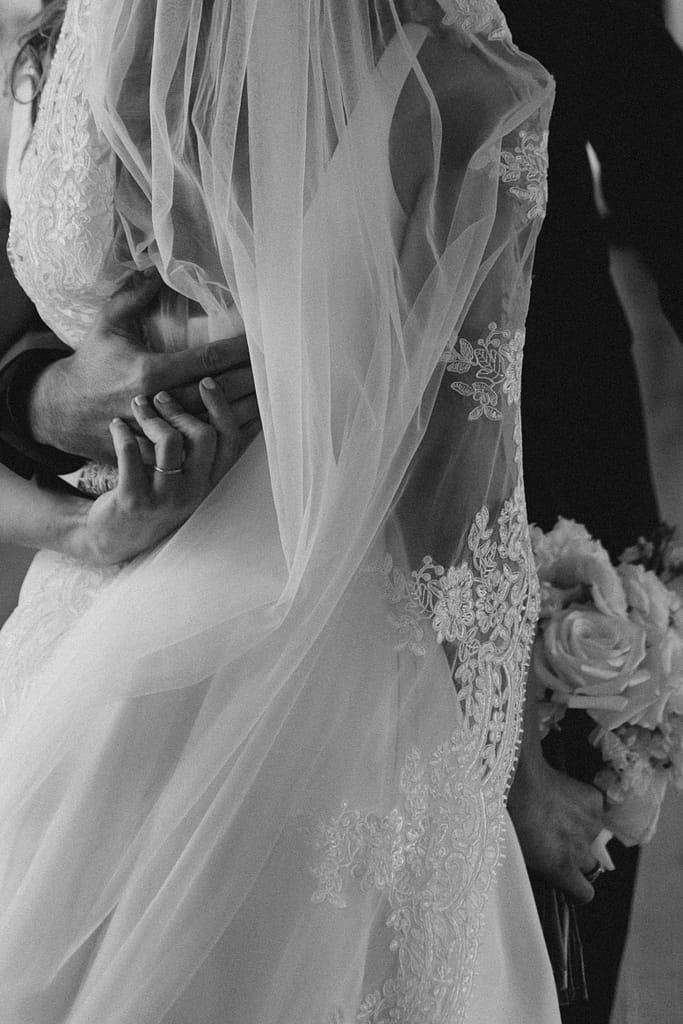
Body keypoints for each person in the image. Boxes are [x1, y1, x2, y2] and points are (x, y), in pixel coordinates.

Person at [0, 1, 565, 1020]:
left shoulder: (121, 47)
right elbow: (464, 493)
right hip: (336, 660)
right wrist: (509, 778)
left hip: (105, 626)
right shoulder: (472, 90)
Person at [498, 2, 683, 1022]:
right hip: (283, 536)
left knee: (560, 948)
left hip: (557, 489)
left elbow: (662, 152)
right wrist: (36, 395)